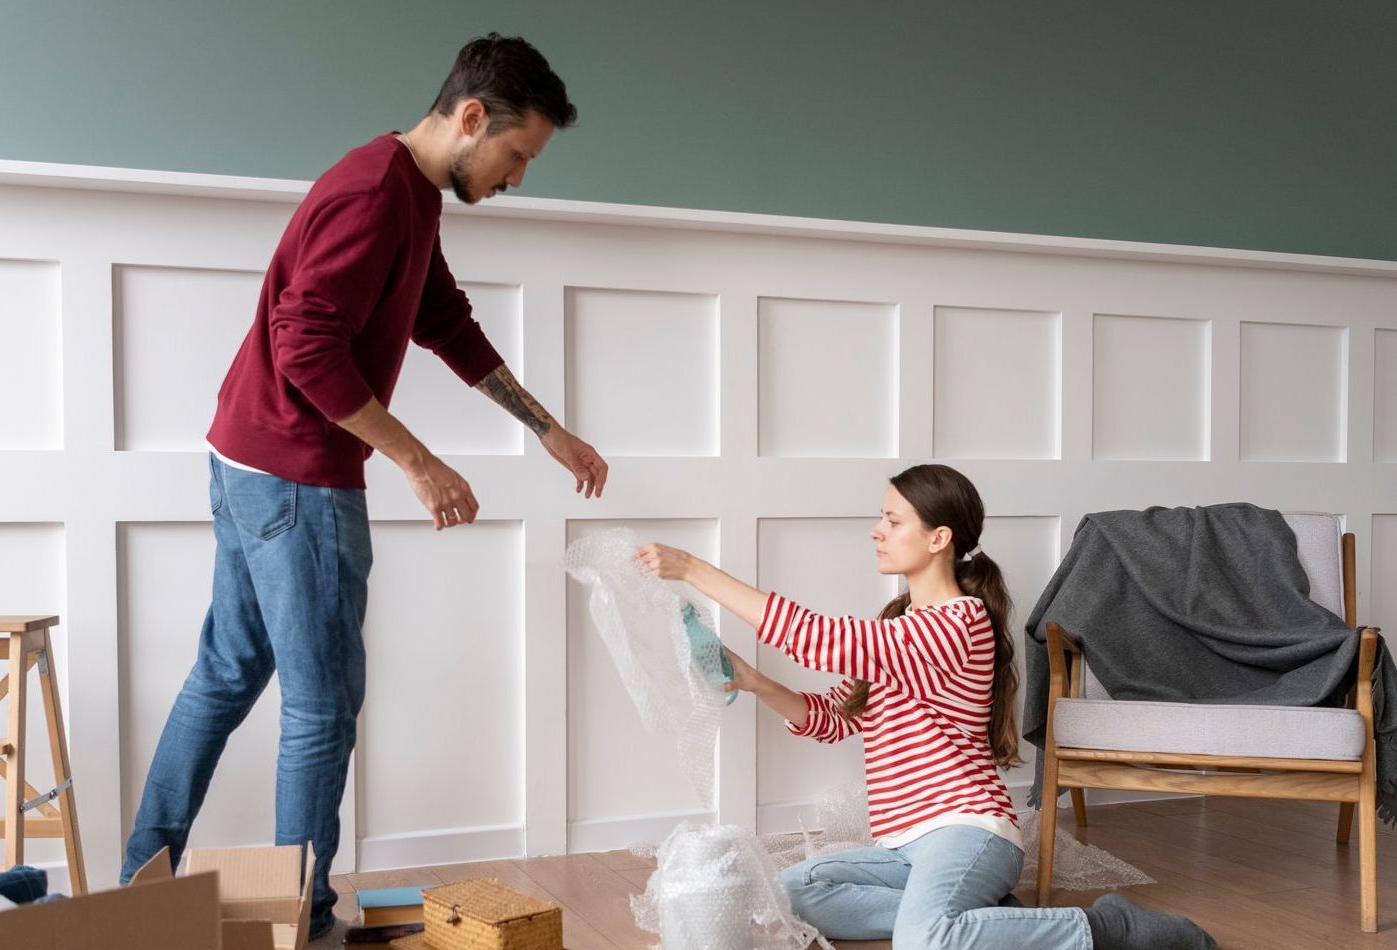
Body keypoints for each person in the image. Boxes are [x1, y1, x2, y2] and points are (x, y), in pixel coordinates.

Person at [120, 34, 608, 946]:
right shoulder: (375, 195)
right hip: (298, 479)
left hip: (244, 455)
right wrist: (420, 462)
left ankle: (138, 885)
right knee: (322, 701)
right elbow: (306, 348)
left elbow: (444, 320)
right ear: (472, 118)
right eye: (515, 156)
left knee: (225, 676)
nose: (514, 179)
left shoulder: (404, 192)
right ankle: (300, 920)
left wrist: (547, 428)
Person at [637, 464, 1215, 950]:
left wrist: (693, 568)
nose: (877, 532)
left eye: (892, 521)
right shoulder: (900, 625)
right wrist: (754, 681)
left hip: (968, 831)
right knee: (788, 892)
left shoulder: (960, 622)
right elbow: (833, 720)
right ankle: (987, 919)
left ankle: (1104, 927)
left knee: (926, 942)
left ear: (939, 538)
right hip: (903, 846)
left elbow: (816, 636)